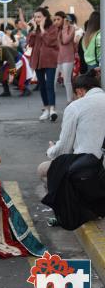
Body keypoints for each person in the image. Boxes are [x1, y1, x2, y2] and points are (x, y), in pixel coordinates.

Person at [40, 70, 105, 230]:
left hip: (92, 172)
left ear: (80, 91)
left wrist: (50, 150)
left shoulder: (76, 106)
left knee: (43, 169)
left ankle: (69, 211)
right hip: (97, 169)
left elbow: (63, 148)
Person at [28, 7, 59, 122]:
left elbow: (50, 41)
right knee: (42, 85)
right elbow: (30, 43)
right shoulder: (35, 29)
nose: (37, 19)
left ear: (45, 17)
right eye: (35, 17)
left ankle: (52, 109)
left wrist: (41, 29)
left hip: (50, 60)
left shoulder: (53, 28)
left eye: (39, 17)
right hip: (37, 60)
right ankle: (46, 108)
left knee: (50, 85)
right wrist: (34, 30)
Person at [54, 12, 76, 104]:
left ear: (64, 19)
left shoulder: (71, 29)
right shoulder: (56, 29)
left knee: (67, 80)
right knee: (52, 80)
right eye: (54, 20)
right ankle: (51, 102)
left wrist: (65, 27)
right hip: (56, 58)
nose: (56, 21)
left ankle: (69, 101)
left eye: (58, 19)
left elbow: (65, 40)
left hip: (67, 58)